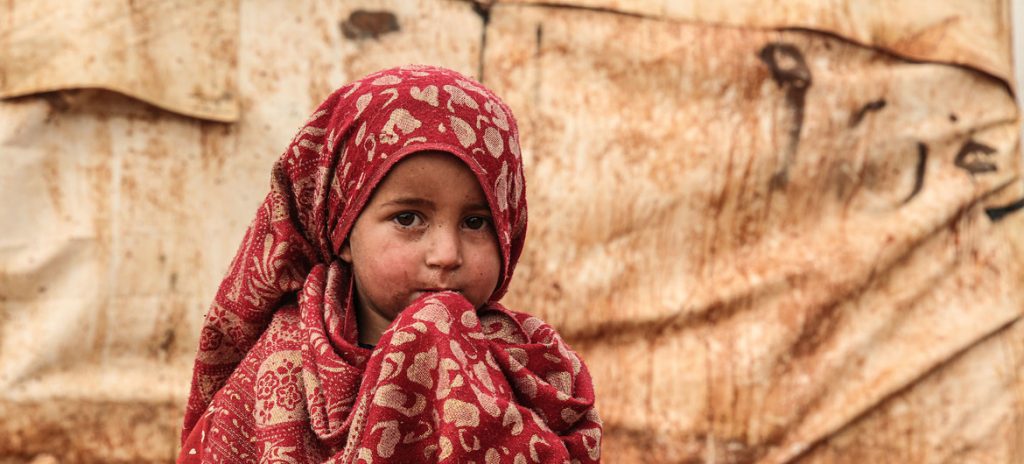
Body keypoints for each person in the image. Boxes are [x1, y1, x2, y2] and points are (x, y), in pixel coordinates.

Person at [178, 65, 602, 463]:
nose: (446, 255)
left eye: (476, 222)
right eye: (408, 219)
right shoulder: (284, 367)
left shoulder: (532, 367)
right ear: (341, 229)